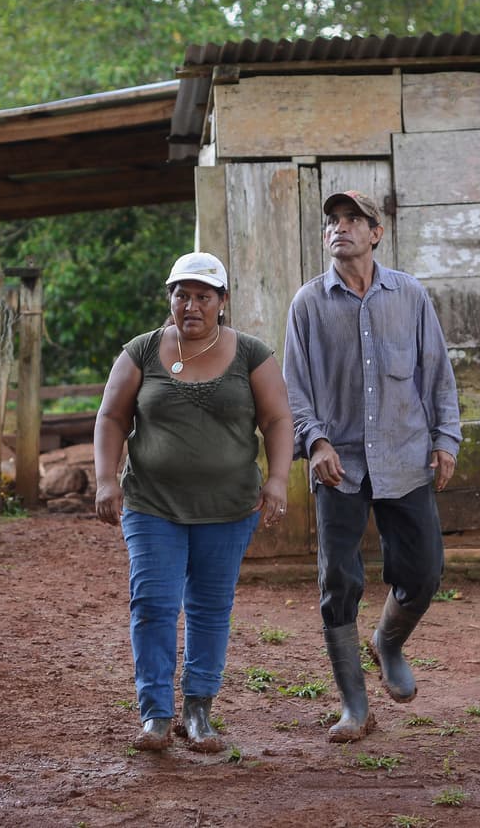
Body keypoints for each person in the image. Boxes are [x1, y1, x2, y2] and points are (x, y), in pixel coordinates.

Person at [94, 251, 294, 753]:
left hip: (228, 508)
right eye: (182, 294)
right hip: (151, 504)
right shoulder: (141, 351)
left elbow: (277, 420)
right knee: (154, 605)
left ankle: (198, 710)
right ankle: (156, 715)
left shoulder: (251, 354)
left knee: (209, 608)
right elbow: (112, 417)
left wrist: (278, 480)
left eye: (204, 295)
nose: (192, 305)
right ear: (170, 298)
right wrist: (105, 479)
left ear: (222, 302)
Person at [282, 190, 461, 743]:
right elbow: (295, 387)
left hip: (405, 455)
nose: (341, 228)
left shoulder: (409, 295)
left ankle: (388, 642)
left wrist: (446, 439)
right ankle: (355, 707)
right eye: (332, 221)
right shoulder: (308, 304)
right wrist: (315, 443)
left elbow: (437, 372)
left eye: (353, 220)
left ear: (375, 232)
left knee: (424, 571)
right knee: (339, 578)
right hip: (340, 464)